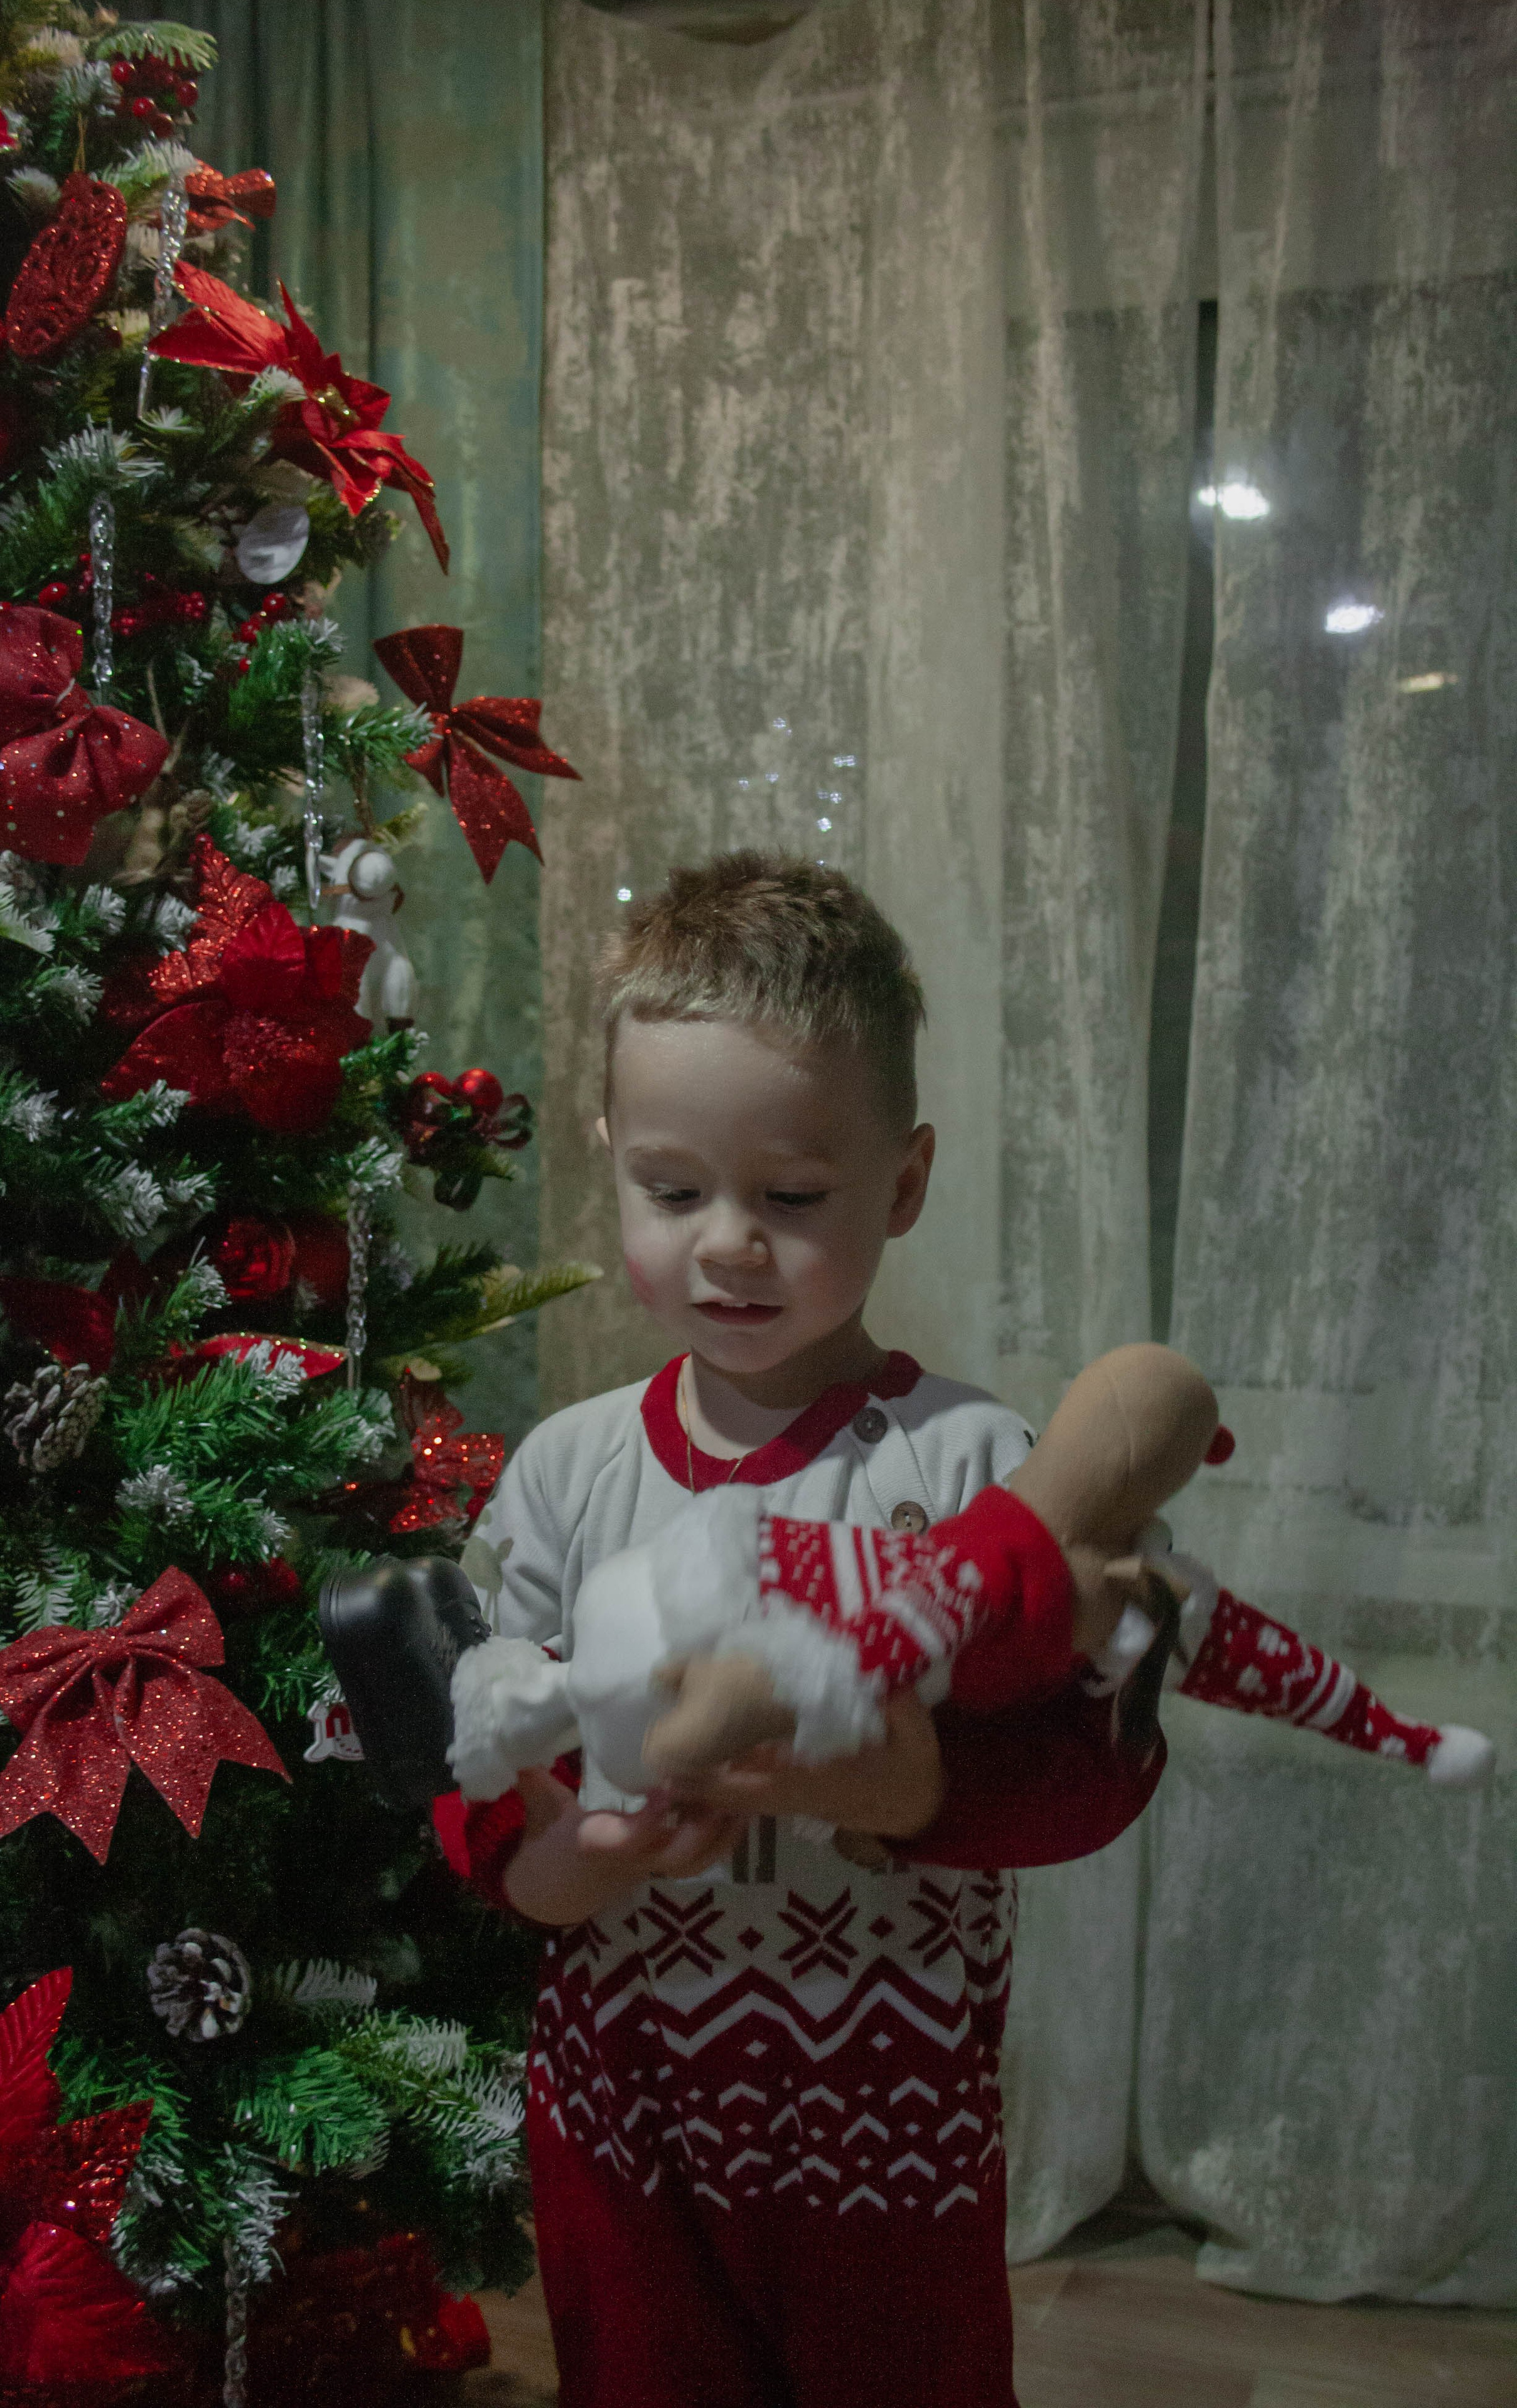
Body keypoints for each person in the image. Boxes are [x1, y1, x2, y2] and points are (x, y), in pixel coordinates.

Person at [451, 851, 1149, 2408]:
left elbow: (1097, 1767)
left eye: (791, 1197)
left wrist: (902, 1787)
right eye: (673, 1189)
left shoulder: (974, 1470)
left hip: (886, 2125)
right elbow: (479, 1767)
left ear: (898, 1184)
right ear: (610, 1159)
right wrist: (568, 1864)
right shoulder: (567, 1472)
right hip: (619, 2110)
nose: (727, 1244)